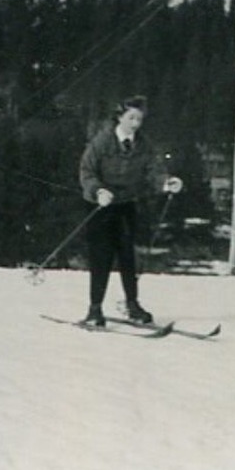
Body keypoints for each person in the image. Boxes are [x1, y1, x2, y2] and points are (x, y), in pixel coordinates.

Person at [77, 96, 182, 327]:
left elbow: (154, 170)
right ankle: (95, 309)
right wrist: (98, 191)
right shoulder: (102, 141)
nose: (135, 123)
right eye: (131, 118)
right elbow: (87, 171)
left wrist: (167, 182)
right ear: (120, 117)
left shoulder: (144, 144)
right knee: (101, 257)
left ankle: (132, 304)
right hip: (100, 206)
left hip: (126, 205)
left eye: (139, 119)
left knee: (127, 255)